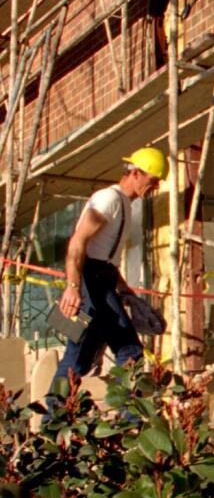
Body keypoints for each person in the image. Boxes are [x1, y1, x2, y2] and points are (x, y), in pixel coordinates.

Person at [49, 147, 166, 391]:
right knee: (109, 352)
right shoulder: (109, 199)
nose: (154, 187)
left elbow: (107, 256)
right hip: (90, 284)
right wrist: (72, 287)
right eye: (152, 181)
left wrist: (124, 289)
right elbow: (78, 242)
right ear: (135, 173)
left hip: (101, 281)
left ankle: (58, 418)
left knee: (85, 355)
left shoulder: (123, 203)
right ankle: (56, 419)